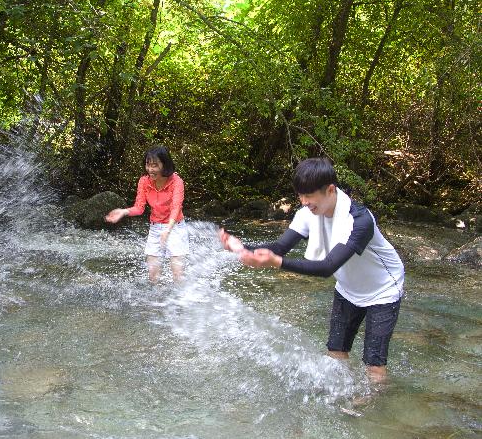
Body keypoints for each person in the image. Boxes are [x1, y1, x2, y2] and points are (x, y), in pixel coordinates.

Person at [218, 158, 404, 382]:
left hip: (383, 289)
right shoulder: (308, 214)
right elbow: (279, 247)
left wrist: (276, 262)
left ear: (330, 190)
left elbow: (327, 267)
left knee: (373, 363)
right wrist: (241, 248)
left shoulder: (359, 221)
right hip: (348, 288)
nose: (304, 202)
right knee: (335, 351)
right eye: (300, 195)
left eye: (309, 195)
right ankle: (341, 391)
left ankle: (371, 409)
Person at [105, 146, 189, 283]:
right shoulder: (144, 181)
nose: (150, 169)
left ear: (165, 164)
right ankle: (155, 302)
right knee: (152, 277)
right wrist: (123, 211)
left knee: (177, 276)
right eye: (148, 165)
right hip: (155, 228)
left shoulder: (176, 182)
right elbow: (139, 208)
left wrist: (168, 229)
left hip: (175, 228)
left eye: (155, 165)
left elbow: (176, 207)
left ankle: (180, 303)